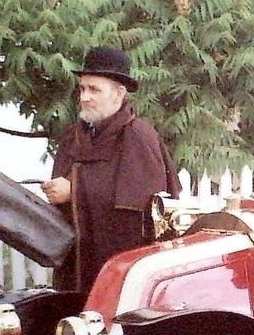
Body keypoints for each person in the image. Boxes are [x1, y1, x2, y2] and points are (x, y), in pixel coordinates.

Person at [42, 46, 182, 291]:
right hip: (73, 275)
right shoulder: (72, 139)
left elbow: (145, 212)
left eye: (94, 89)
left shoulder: (139, 138)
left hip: (123, 279)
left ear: (118, 94)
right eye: (83, 88)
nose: (85, 97)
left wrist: (75, 191)